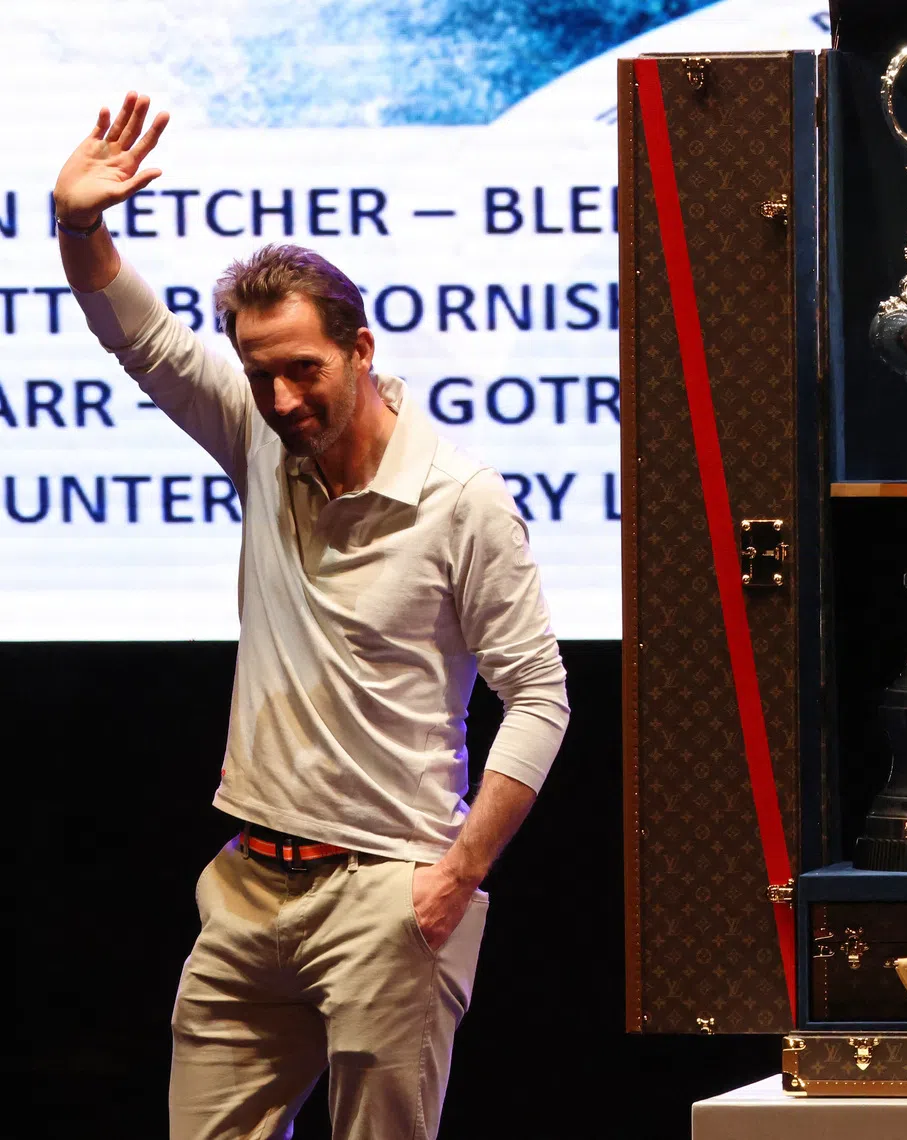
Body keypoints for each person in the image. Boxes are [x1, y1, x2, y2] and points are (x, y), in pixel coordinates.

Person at [54, 92, 569, 1140]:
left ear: (362, 350)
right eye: (262, 375)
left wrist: (456, 876)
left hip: (388, 895)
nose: (284, 399)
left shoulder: (459, 499)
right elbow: (138, 336)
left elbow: (540, 696)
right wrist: (78, 223)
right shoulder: (258, 437)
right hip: (248, 889)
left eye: (305, 371)